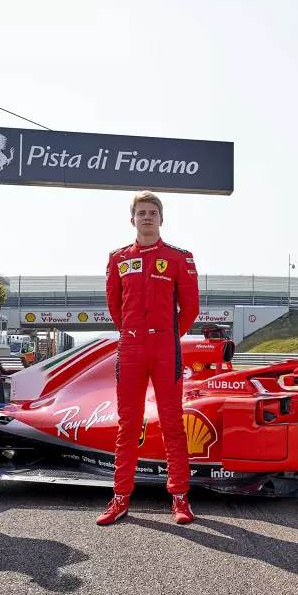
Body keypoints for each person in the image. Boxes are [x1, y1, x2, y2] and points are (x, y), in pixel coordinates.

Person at [98, 191, 200, 526]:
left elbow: (191, 308)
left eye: (152, 212)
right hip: (130, 349)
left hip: (165, 349)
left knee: (172, 423)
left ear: (161, 218)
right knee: (127, 425)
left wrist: (167, 334)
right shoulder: (117, 258)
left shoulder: (179, 257)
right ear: (132, 219)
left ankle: (180, 498)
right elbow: (115, 306)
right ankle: (120, 498)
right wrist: (132, 332)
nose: (146, 217)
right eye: (141, 212)